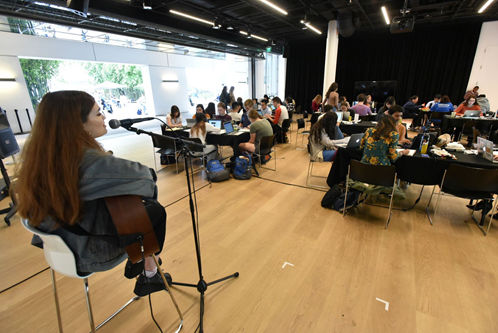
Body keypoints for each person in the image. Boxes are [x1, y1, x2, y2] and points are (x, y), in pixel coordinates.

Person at [16, 91, 168, 297]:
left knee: (121, 202)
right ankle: (149, 269)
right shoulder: (87, 160)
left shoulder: (40, 159)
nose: (104, 117)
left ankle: (146, 264)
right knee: (151, 209)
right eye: (98, 114)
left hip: (59, 246)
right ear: (77, 124)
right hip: (90, 251)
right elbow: (146, 179)